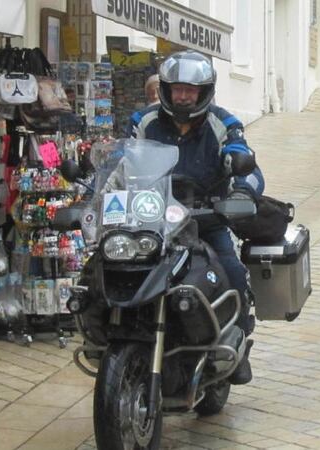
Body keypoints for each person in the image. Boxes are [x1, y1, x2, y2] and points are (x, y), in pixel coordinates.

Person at [132, 50, 266, 385]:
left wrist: (241, 192)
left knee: (232, 271)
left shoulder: (224, 124)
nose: (182, 96)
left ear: (203, 92)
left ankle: (237, 344)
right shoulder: (143, 122)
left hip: (206, 220)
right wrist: (94, 189)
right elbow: (122, 159)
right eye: (177, 89)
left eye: (190, 90)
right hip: (153, 220)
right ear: (165, 89)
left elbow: (244, 160)